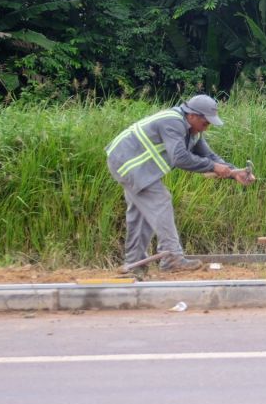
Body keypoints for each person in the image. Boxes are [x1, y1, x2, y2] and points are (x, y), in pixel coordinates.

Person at [105, 94, 255, 273]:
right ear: (192, 115)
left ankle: (134, 266)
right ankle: (172, 258)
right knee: (161, 200)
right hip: (126, 162)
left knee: (140, 215)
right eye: (205, 123)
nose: (205, 128)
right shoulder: (173, 122)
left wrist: (234, 173)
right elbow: (180, 158)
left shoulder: (192, 131)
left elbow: (209, 156)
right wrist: (213, 167)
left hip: (130, 164)